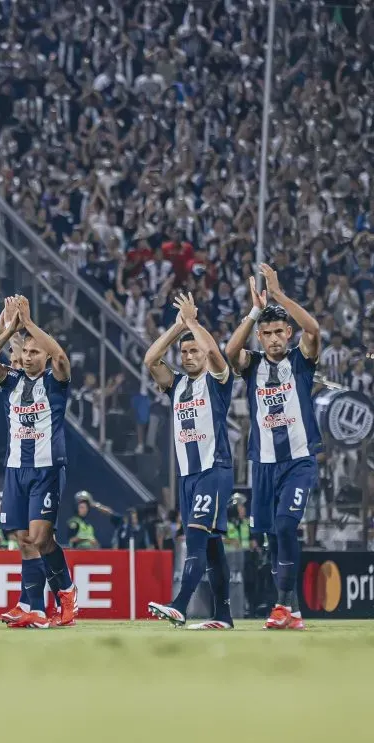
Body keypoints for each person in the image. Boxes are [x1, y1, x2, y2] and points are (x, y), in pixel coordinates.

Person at [226, 264, 322, 631]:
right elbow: (229, 352)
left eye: (279, 332)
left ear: (288, 333)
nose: (272, 339)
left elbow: (313, 329)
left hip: (299, 461)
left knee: (285, 526)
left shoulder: (301, 360)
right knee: (269, 537)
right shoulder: (252, 366)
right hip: (262, 463)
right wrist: (253, 312)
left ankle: (281, 606)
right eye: (265, 334)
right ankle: (293, 611)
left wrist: (279, 296)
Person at [0, 295, 77, 628]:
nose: (30, 357)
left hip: (47, 468)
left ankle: (51, 599)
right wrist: (7, 330)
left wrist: (29, 323)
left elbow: (62, 355)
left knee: (38, 536)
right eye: (26, 352)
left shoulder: (56, 383)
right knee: (25, 539)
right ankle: (39, 602)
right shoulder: (12, 383)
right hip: (16, 469)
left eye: (36, 352)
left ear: (45, 357)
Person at [143, 293, 235, 630]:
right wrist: (177, 327)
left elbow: (213, 352)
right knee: (211, 546)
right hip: (188, 476)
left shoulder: (218, 381)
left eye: (192, 350)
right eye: (184, 352)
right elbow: (151, 360)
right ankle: (223, 616)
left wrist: (194, 322)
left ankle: (180, 605)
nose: (189, 355)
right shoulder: (178, 385)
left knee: (196, 535)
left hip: (214, 469)